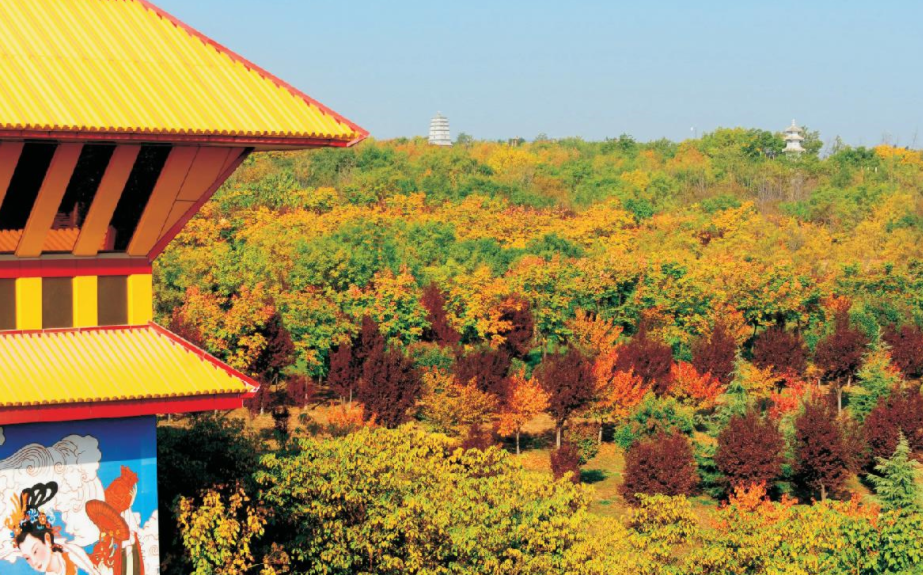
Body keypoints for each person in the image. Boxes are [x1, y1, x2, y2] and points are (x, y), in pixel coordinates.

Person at [5, 482, 98, 575]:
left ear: (47, 539)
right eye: (27, 558)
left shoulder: (72, 554)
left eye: (35, 551)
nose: (34, 562)